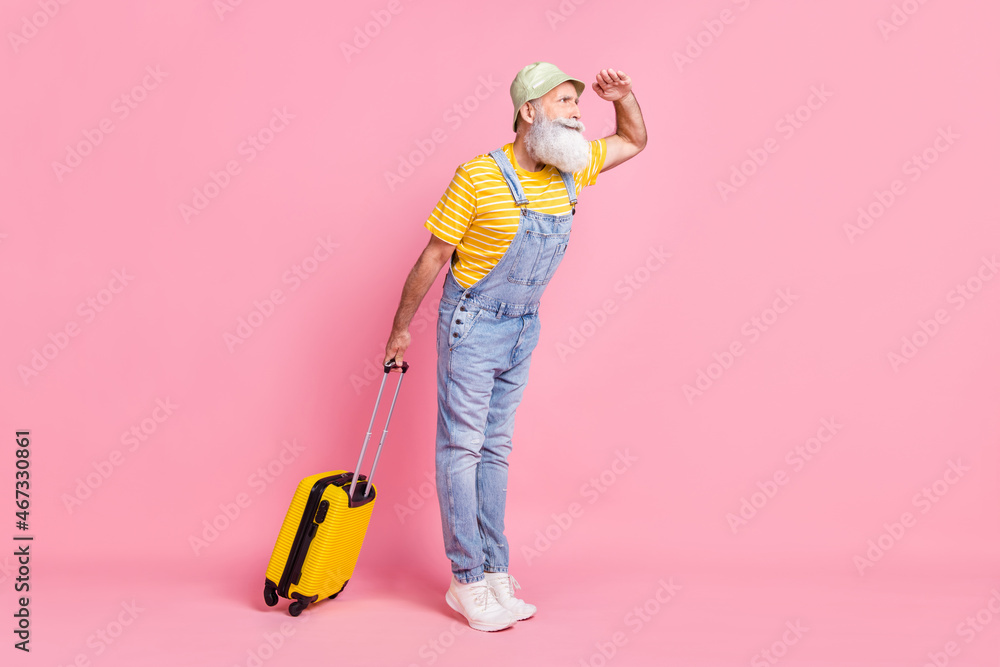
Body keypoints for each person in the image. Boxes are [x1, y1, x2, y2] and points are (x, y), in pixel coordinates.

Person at [383, 62, 647, 632]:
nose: (578, 116)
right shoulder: (478, 177)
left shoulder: (570, 171)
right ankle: (467, 579)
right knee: (463, 449)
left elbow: (633, 139)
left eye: (578, 106)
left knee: (496, 450)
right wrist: (400, 329)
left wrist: (624, 97)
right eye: (565, 104)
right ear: (529, 112)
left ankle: (496, 571)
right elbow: (433, 258)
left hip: (524, 325)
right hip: (472, 325)